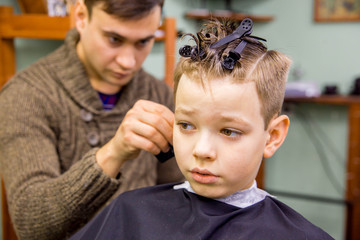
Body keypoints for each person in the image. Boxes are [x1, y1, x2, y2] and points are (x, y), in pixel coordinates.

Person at [70, 19, 334, 239]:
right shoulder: (130, 212)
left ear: (272, 136)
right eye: (186, 125)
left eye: (228, 131)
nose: (202, 150)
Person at [0, 0, 183, 239]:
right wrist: (114, 153)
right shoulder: (26, 95)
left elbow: (177, 194)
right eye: (114, 39)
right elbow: (31, 225)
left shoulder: (160, 94)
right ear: (80, 16)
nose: (128, 62)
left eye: (143, 41)